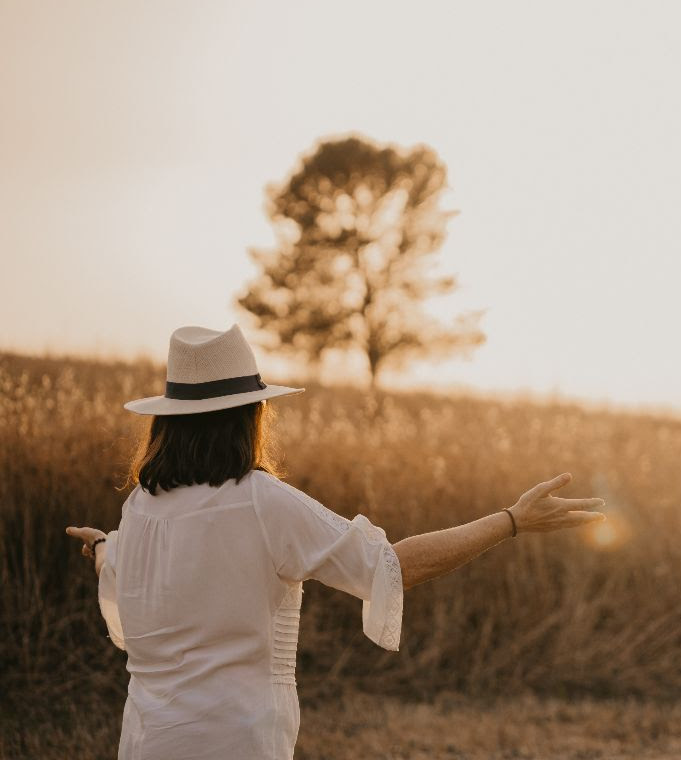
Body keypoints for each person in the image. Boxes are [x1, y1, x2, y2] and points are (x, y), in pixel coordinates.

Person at [65, 323, 606, 759]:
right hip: (234, 742)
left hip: (145, 740)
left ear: (171, 422)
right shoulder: (262, 501)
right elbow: (391, 567)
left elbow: (122, 574)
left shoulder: (140, 506)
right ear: (250, 416)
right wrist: (510, 520)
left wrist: (100, 547)